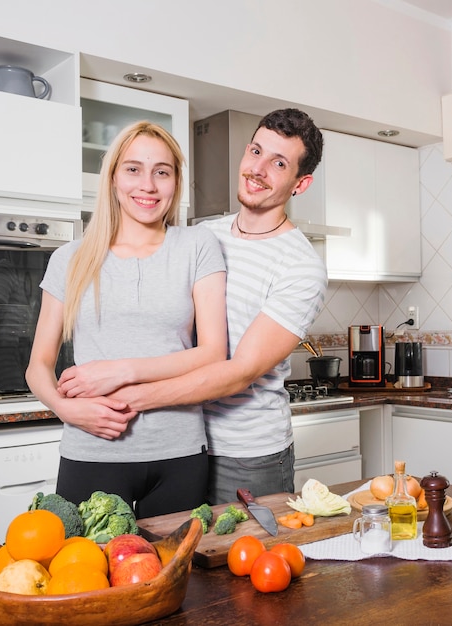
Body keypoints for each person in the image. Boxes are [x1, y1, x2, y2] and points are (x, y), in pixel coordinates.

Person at [58, 108, 327, 505]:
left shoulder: (301, 266)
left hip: (247, 453)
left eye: (279, 163)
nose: (258, 169)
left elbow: (238, 373)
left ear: (300, 183)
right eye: (255, 152)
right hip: (182, 442)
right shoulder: (202, 236)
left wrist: (123, 397)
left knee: (238, 561)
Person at [26, 121, 227, 518]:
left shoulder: (197, 245)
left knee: (177, 578)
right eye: (133, 169)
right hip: (90, 445)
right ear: (114, 177)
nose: (148, 186)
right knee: (86, 577)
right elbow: (38, 366)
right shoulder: (70, 258)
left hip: (179, 451)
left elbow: (213, 353)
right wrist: (66, 409)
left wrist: (121, 371)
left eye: (162, 172)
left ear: (175, 181)